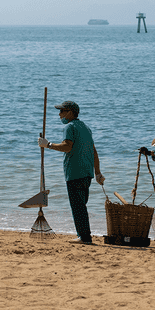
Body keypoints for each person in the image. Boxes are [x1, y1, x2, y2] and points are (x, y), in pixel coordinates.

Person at [38, 101, 105, 245]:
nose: (59, 114)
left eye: (62, 111)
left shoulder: (70, 127)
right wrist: (98, 172)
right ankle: (83, 234)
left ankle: (85, 237)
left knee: (78, 206)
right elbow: (94, 151)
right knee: (81, 205)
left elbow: (67, 146)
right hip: (87, 173)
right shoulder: (86, 128)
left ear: (70, 112)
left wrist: (48, 145)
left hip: (75, 172)